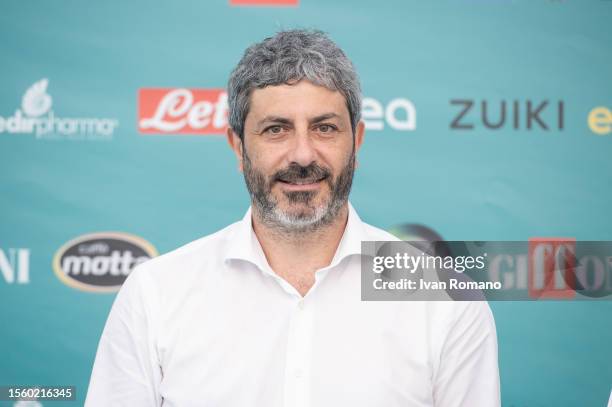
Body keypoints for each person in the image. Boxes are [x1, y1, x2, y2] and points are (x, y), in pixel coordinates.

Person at [85, 29, 500, 407]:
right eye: (276, 130)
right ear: (237, 147)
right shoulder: (156, 295)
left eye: (324, 128)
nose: (303, 155)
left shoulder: (444, 300)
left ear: (357, 141)